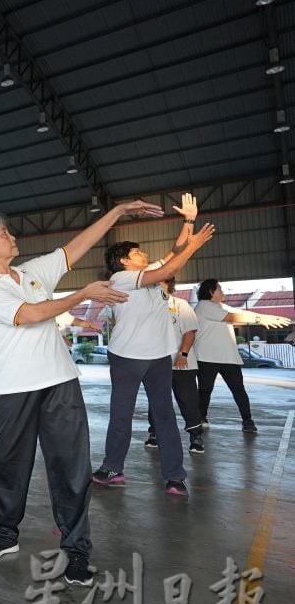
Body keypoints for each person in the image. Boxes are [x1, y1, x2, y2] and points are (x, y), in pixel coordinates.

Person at [0, 199, 164, 585]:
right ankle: (4, 534)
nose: (12, 237)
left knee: (72, 469)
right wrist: (83, 294)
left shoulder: (31, 273)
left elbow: (74, 249)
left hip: (59, 383)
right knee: (7, 468)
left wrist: (115, 213)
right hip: (11, 389)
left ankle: (76, 551)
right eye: (5, 234)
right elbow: (30, 315)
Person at [94, 194, 215, 496]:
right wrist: (195, 245)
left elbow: (174, 253)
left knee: (164, 415)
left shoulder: (147, 278)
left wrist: (188, 221)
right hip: (127, 357)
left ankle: (175, 477)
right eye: (138, 252)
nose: (144, 254)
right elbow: (168, 269)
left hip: (160, 357)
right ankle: (113, 467)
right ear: (124, 260)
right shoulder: (122, 278)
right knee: (122, 414)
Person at [194, 278, 291, 432]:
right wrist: (261, 319)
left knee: (238, 389)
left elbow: (242, 313)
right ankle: (201, 416)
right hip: (207, 357)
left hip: (229, 357)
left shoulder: (222, 306)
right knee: (205, 390)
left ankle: (248, 421)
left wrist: (267, 318)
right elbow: (232, 318)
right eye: (219, 288)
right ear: (211, 291)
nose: (223, 291)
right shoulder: (204, 306)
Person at [145, 279, 205, 454]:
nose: (155, 287)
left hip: (181, 363)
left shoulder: (180, 304)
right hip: (156, 363)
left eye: (160, 284)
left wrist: (183, 353)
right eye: (153, 284)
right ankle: (155, 434)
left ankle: (196, 436)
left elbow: (190, 331)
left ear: (168, 286)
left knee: (188, 401)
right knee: (156, 402)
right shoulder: (148, 308)